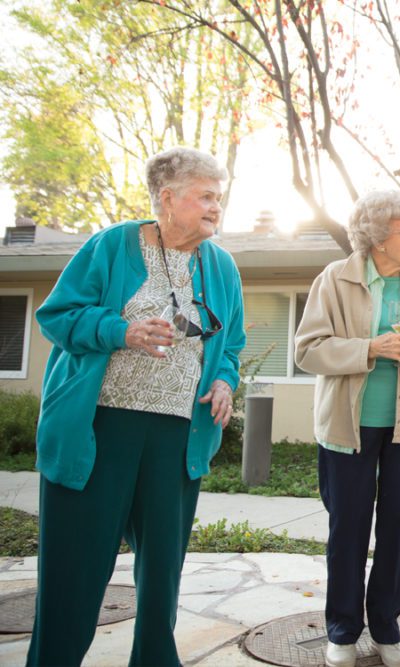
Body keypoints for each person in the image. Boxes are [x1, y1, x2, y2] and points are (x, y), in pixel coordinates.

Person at [28, 147, 246, 666]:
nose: (217, 207)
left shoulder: (220, 266)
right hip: (99, 429)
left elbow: (230, 344)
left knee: (162, 573)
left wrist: (223, 383)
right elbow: (57, 317)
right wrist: (119, 330)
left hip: (176, 435)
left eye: (220, 196)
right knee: (75, 570)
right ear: (167, 199)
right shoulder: (111, 246)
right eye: (206, 196)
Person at [294, 190, 400, 667]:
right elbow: (307, 350)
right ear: (378, 237)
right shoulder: (335, 278)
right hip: (347, 429)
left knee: (399, 529)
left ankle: (387, 627)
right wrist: (371, 349)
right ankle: (342, 632)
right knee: (347, 529)